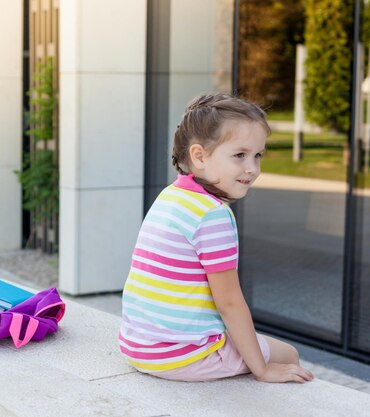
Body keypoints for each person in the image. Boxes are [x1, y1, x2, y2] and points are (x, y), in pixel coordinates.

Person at [119, 93, 314, 383]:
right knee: (288, 355)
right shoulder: (213, 215)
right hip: (181, 356)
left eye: (257, 155)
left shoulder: (172, 195)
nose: (252, 168)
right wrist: (261, 369)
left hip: (138, 346)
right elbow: (230, 303)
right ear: (199, 156)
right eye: (240, 155)